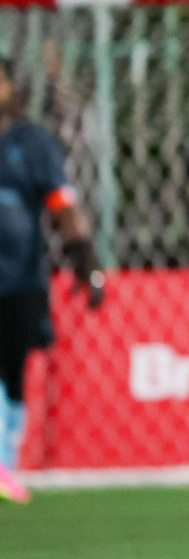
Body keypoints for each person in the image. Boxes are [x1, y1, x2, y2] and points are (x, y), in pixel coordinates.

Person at [0, 57, 105, 503]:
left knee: (13, 368)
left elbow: (62, 205)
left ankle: (5, 460)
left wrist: (86, 258)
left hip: (19, 277)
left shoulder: (33, 144)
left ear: (9, 88)